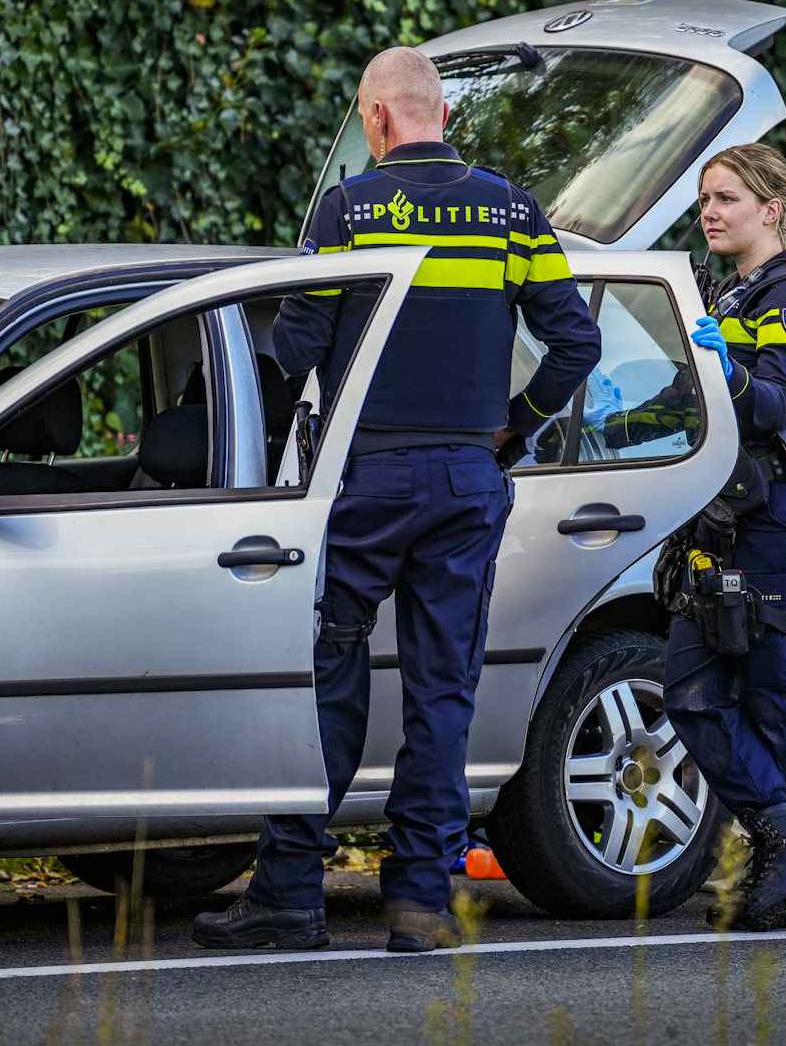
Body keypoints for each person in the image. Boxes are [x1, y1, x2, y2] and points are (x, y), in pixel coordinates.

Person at [192, 47, 600, 954]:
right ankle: (421, 902)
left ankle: (291, 896)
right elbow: (575, 344)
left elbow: (295, 346)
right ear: (441, 115)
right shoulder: (509, 210)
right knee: (440, 690)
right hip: (464, 481)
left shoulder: (347, 210)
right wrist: (513, 426)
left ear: (375, 119)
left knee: (328, 673)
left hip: (363, 481)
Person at [666, 144, 786, 931]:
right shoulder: (731, 293)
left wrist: (726, 370)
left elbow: (775, 404)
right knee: (693, 690)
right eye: (706, 197)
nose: (710, 210)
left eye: (728, 198)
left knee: (773, 704)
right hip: (738, 524)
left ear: (770, 210)